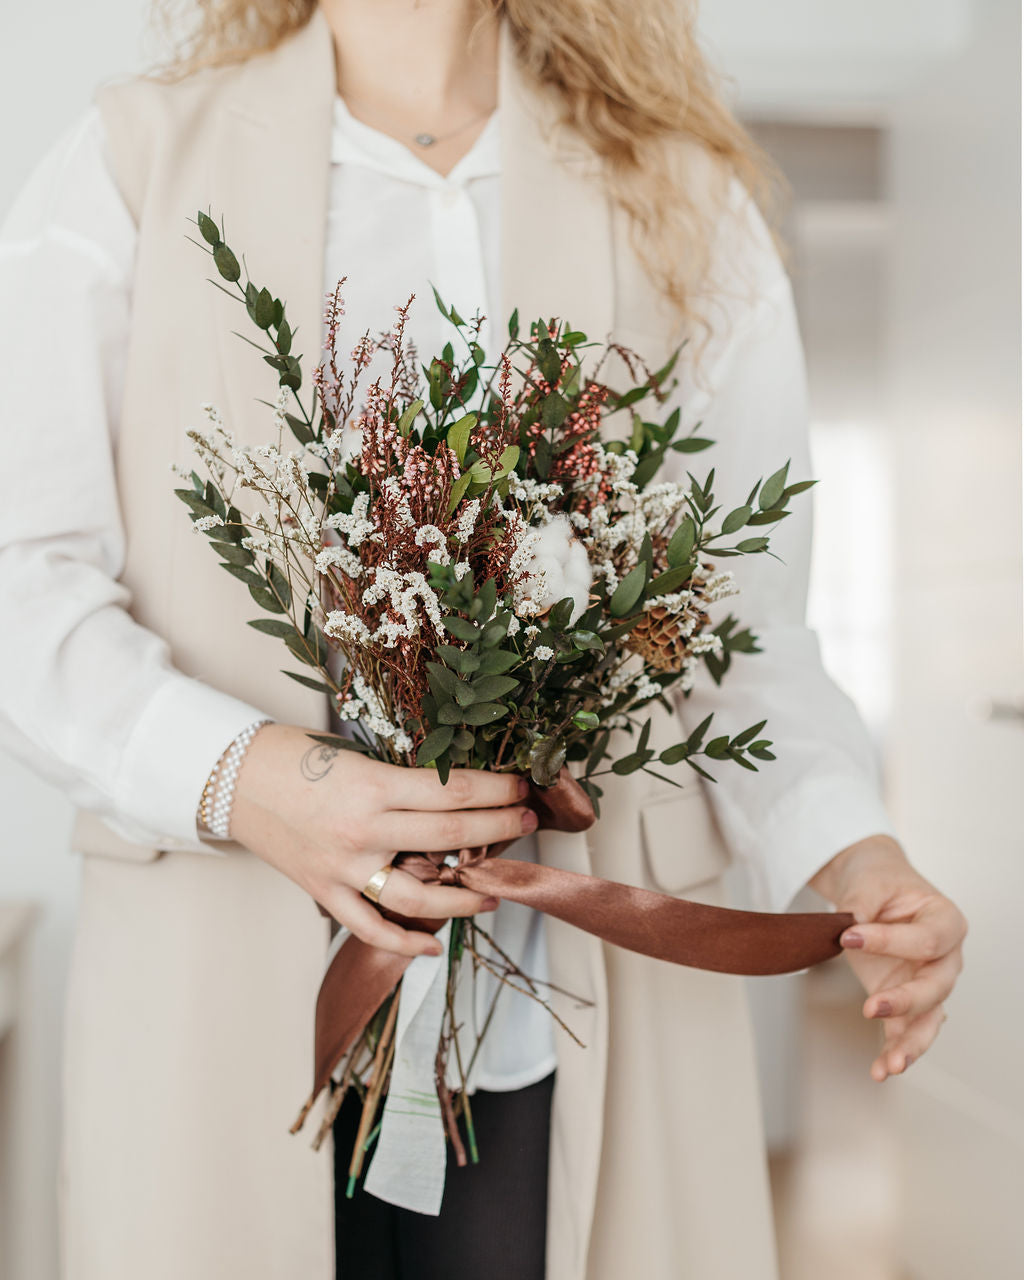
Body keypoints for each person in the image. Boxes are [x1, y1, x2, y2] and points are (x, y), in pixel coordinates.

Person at [0, 1, 967, 1278]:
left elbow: (738, 624)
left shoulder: (681, 196)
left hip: (575, 1003)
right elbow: (25, 577)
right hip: (217, 992)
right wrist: (250, 777)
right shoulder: (133, 162)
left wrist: (855, 848)